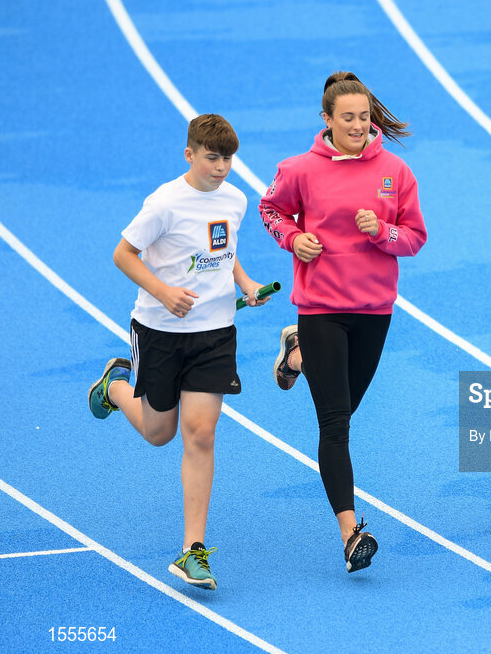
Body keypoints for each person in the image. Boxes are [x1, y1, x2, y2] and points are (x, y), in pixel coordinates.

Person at [87, 113, 270, 590]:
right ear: (189, 154)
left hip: (215, 331)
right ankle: (117, 385)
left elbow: (224, 252)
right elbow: (123, 254)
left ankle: (192, 550)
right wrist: (164, 291)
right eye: (212, 158)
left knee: (201, 433)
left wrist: (246, 283)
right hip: (160, 331)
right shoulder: (164, 203)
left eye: (228, 159)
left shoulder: (235, 199)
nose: (222, 168)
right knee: (158, 432)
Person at [259, 71, 427, 573]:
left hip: (374, 310)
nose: (358, 125)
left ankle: (297, 354)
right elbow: (271, 209)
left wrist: (384, 231)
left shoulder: (395, 171)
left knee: (346, 408)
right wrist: (293, 239)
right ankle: (351, 532)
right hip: (320, 307)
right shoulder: (299, 170)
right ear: (327, 119)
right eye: (347, 117)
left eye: (363, 117)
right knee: (335, 424)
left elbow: (415, 237)